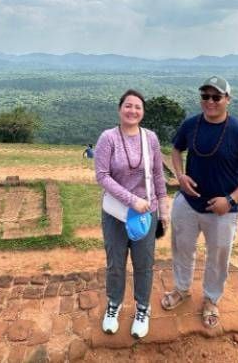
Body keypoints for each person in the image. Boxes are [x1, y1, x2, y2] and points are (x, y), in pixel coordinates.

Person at [161, 76, 238, 329]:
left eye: (216, 97)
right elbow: (176, 150)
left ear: (227, 100)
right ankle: (182, 289)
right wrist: (180, 175)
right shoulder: (191, 125)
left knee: (218, 257)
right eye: (205, 96)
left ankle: (211, 299)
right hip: (188, 203)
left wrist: (230, 200)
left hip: (222, 211)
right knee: (182, 249)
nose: (210, 101)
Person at [95, 89, 168, 339]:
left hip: (146, 214)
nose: (132, 110)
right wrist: (132, 200)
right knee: (115, 263)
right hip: (116, 213)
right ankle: (113, 305)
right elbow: (102, 176)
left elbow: (158, 175)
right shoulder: (108, 138)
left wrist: (163, 212)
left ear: (143, 112)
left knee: (143, 264)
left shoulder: (151, 139)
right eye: (128, 105)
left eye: (137, 107)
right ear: (119, 109)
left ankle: (142, 309)